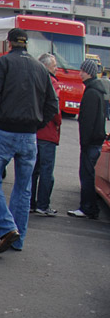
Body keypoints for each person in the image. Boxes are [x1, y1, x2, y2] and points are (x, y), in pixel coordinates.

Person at [0, 27, 59, 253]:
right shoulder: (40, 69)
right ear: (27, 44)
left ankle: (7, 228)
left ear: (9, 43)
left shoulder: (3, 64)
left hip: (5, 130)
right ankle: (18, 239)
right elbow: (53, 105)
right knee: (23, 187)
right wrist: (37, 124)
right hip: (29, 135)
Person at [67, 58, 108, 219]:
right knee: (89, 173)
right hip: (96, 140)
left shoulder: (91, 92)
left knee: (86, 174)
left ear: (89, 73)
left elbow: (87, 121)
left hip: (90, 142)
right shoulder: (98, 91)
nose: (80, 73)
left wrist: (84, 141)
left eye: (83, 70)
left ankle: (87, 207)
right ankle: (89, 207)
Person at [31, 53, 61, 216]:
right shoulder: (52, 82)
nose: (56, 68)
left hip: (33, 131)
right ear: (47, 66)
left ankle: (30, 203)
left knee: (32, 170)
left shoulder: (33, 79)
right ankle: (43, 204)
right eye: (54, 65)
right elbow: (54, 108)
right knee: (46, 171)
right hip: (48, 132)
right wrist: (57, 123)